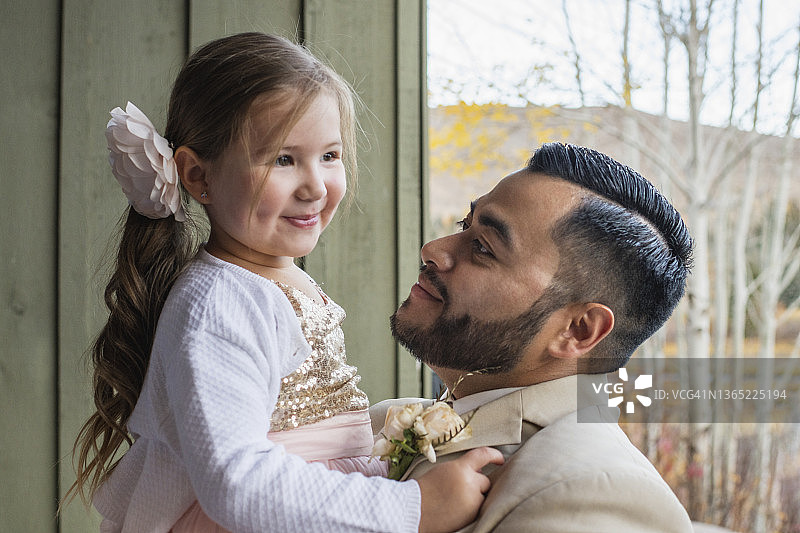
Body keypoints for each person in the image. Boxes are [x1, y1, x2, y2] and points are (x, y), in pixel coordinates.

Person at [66, 32, 502, 533]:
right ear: (197, 175)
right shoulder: (220, 303)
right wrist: (411, 508)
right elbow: (236, 481)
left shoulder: (267, 281)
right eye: (283, 159)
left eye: (330, 156)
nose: (315, 185)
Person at [386, 142, 695, 532]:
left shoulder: (594, 491)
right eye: (466, 225)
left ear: (577, 330)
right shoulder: (381, 418)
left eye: (482, 247)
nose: (433, 250)